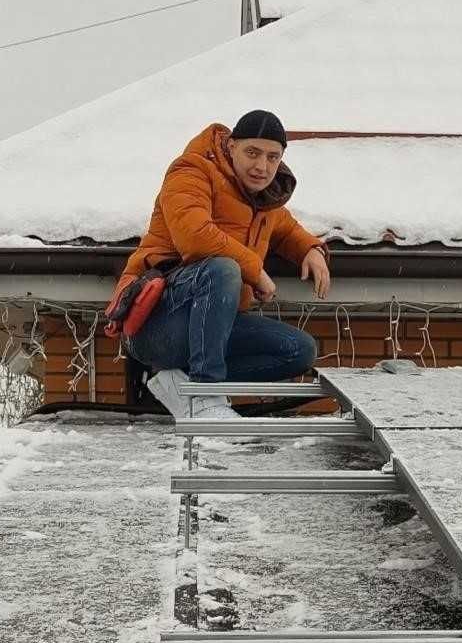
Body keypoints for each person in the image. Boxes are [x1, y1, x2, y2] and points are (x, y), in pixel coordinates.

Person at [114, 110, 330, 419]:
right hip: (157, 324)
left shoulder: (263, 200)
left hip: (210, 329)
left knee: (298, 350)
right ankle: (205, 397)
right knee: (222, 268)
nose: (262, 166)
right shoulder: (191, 172)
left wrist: (310, 249)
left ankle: (180, 383)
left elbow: (286, 229)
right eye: (252, 153)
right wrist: (255, 271)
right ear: (231, 146)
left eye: (272, 157)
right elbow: (195, 237)